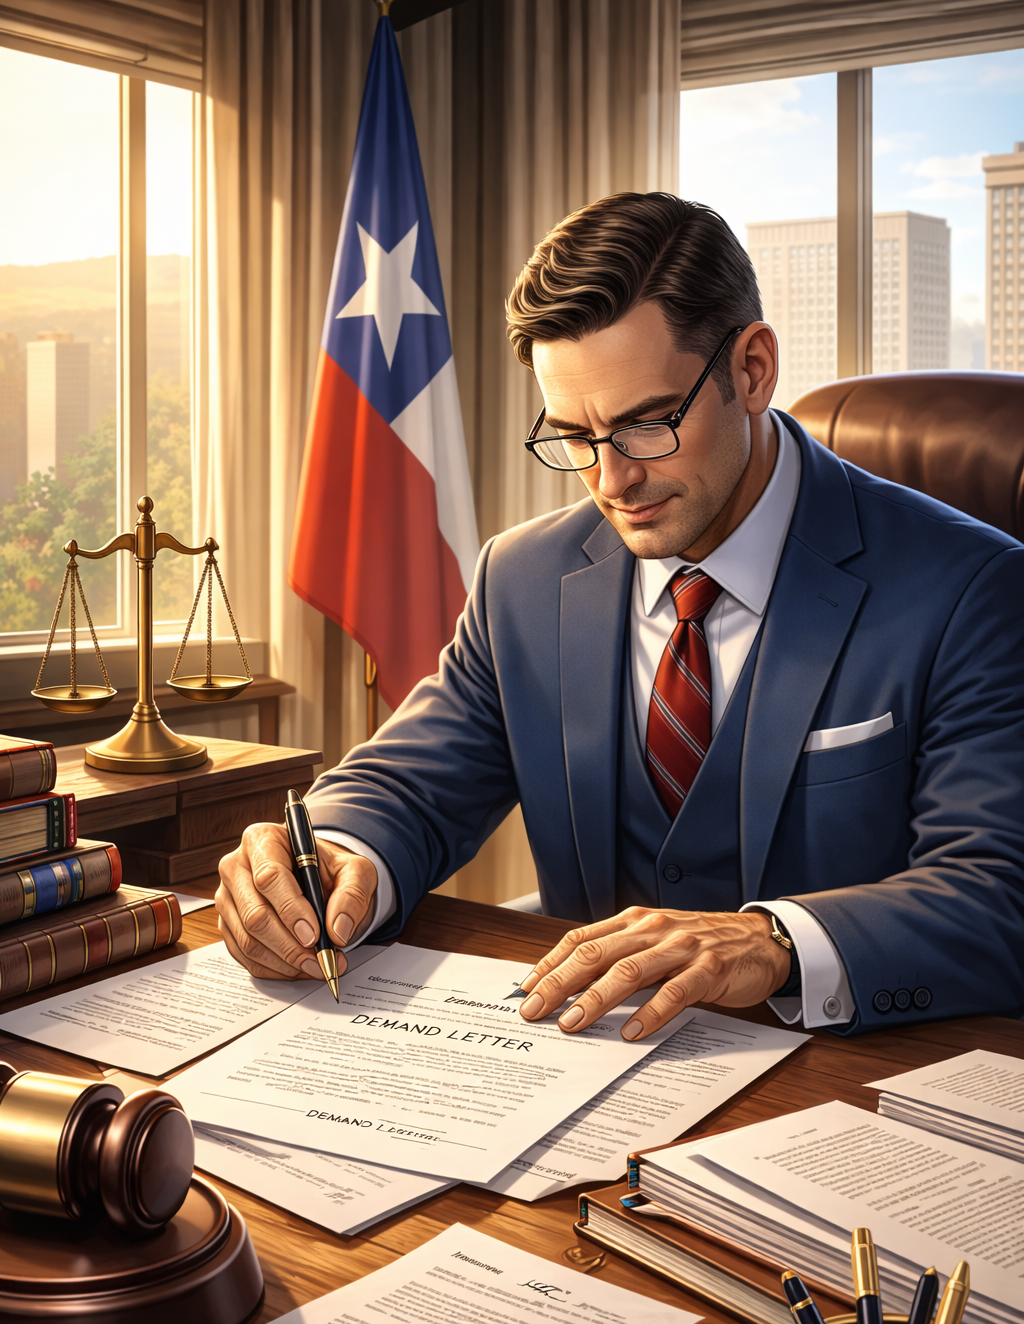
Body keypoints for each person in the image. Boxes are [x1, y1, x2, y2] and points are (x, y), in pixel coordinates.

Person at [217, 192, 1024, 1040]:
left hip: (844, 1078)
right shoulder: (521, 577)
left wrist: (774, 940)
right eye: (573, 436)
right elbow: (410, 784)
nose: (610, 480)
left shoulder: (972, 587)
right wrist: (337, 858)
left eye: (645, 426)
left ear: (751, 370)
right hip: (584, 1070)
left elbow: (1000, 893)